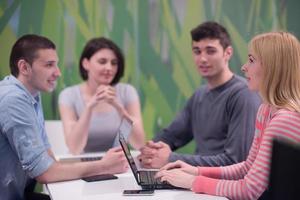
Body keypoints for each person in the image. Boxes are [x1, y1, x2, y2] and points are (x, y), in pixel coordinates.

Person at [155, 31, 300, 200]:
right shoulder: (265, 111)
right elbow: (247, 167)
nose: (244, 67)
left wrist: (193, 181)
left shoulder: (284, 120)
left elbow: (250, 190)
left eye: (251, 60)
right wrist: (196, 171)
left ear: (272, 67)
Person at [0, 34, 128, 200]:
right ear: (24, 68)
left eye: (57, 64)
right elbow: (44, 172)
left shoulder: (32, 95)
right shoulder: (13, 99)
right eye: (49, 65)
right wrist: (103, 166)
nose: (58, 73)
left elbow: (49, 159)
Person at [138, 21, 261, 168]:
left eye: (210, 51)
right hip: (196, 181)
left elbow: (237, 161)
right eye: (197, 51)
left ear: (228, 53)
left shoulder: (243, 95)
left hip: (221, 187)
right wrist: (150, 151)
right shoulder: (199, 94)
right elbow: (171, 135)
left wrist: (171, 159)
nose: (202, 59)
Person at [59, 37, 145, 154]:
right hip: (83, 166)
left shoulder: (127, 92)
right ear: (86, 63)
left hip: (119, 164)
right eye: (102, 62)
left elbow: (139, 143)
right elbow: (74, 148)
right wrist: (89, 107)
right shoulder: (69, 95)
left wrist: (119, 108)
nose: (109, 68)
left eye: (114, 63)